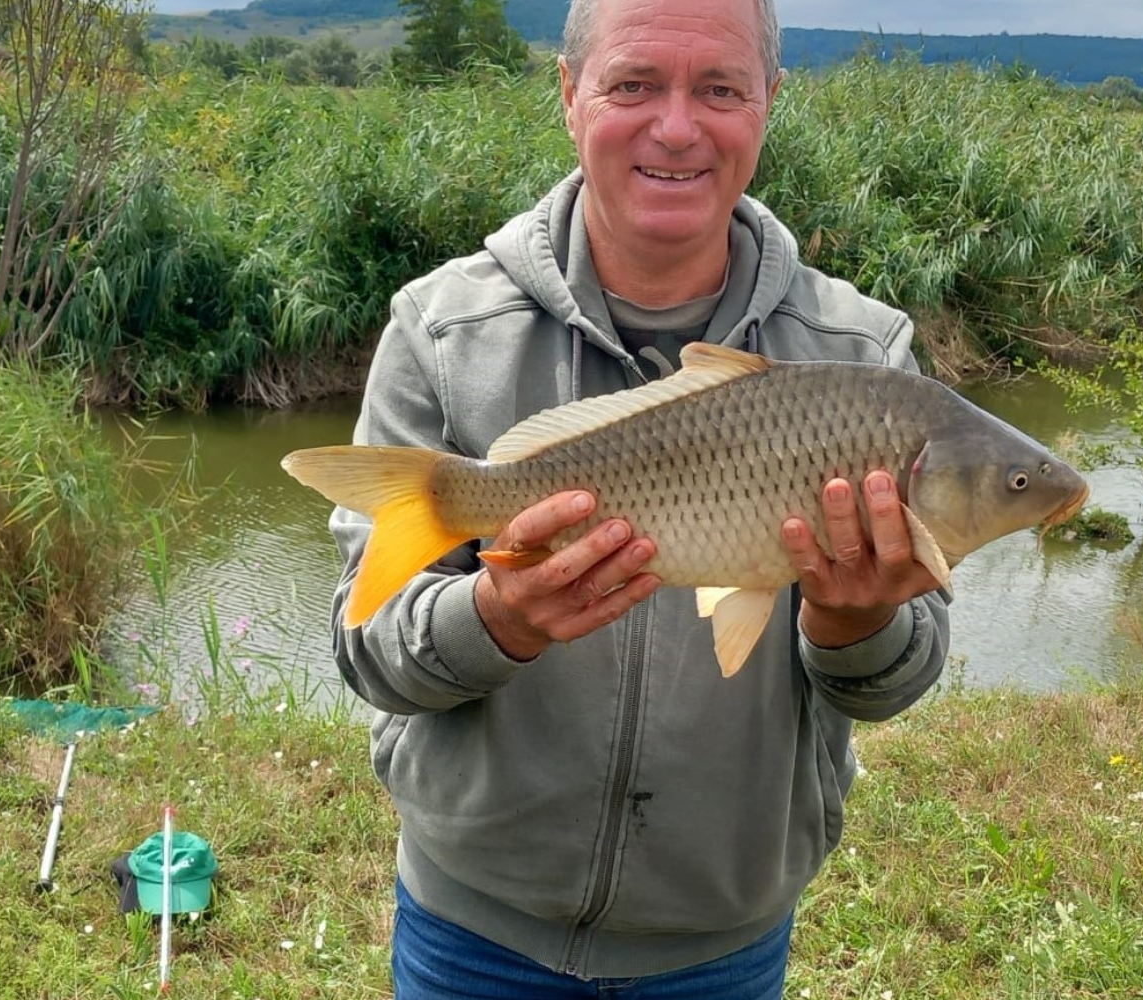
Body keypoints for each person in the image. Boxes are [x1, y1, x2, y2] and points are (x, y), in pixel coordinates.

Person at [328, 0, 950, 994]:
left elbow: (891, 683)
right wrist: (496, 618)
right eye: (634, 84)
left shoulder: (862, 362)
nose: (677, 126)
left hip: (719, 944)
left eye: (720, 88)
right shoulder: (440, 331)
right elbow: (368, 651)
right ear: (570, 93)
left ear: (768, 102)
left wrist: (851, 620)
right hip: (474, 929)